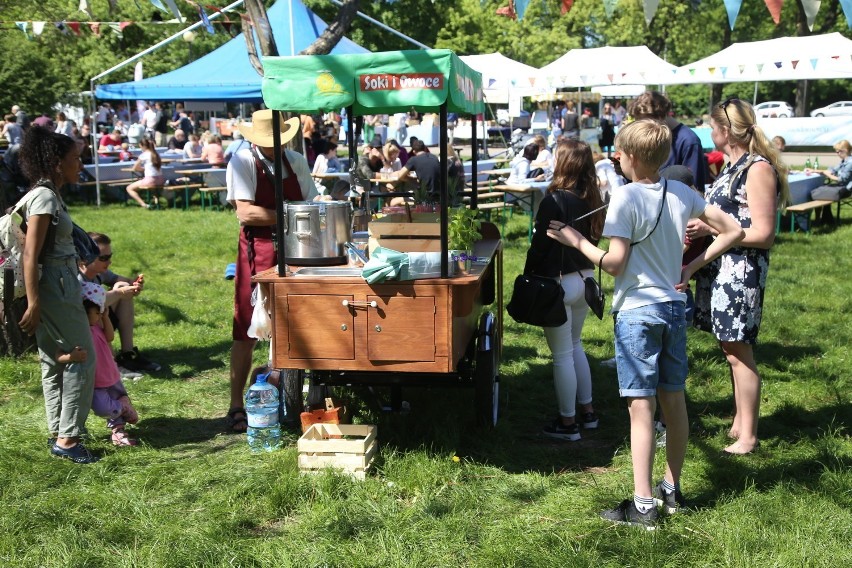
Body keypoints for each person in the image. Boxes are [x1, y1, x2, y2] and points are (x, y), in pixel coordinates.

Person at [547, 119, 744, 528]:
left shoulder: (625, 198)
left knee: (641, 408)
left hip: (638, 311)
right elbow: (734, 229)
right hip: (673, 308)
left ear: (631, 157)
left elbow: (615, 263)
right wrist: (690, 267)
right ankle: (671, 490)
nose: (614, 156)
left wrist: (576, 241)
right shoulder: (682, 191)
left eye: (618, 151)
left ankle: (642, 505)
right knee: (674, 402)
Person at [691, 99, 790, 455]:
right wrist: (705, 229)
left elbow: (763, 233)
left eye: (711, 127)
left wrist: (709, 231)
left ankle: (749, 437)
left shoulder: (757, 169)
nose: (709, 133)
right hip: (721, 270)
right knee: (729, 349)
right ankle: (739, 420)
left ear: (724, 131)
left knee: (739, 353)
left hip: (741, 274)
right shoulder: (735, 166)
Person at [225, 110, 317, 432]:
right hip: (258, 249)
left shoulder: (296, 161)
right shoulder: (241, 162)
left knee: (293, 322)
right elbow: (246, 212)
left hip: (297, 249)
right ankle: (236, 403)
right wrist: (289, 214)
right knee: (246, 326)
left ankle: (287, 391)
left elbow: (313, 202)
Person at [18, 126, 99, 464]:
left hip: (54, 282)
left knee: (53, 359)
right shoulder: (44, 197)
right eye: (74, 159)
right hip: (55, 284)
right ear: (55, 163)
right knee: (83, 355)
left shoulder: (46, 193)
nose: (79, 165)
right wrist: (34, 302)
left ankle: (58, 431)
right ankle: (68, 439)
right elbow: (30, 254)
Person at [524, 139, 606, 441]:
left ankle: (568, 423)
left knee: (562, 355)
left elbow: (539, 245)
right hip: (585, 279)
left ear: (564, 163)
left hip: (558, 282)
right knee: (575, 347)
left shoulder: (555, 200)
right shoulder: (595, 198)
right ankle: (588, 412)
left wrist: (527, 275)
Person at [78, 232, 158, 376]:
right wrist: (120, 292)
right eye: (103, 258)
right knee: (119, 291)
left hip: (102, 320)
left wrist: (134, 285)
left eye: (110, 256)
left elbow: (124, 281)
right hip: (86, 331)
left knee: (121, 285)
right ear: (84, 258)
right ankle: (112, 363)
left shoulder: (98, 272)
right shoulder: (77, 278)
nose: (109, 262)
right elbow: (89, 305)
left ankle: (128, 354)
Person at [77, 282, 140, 446]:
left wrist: (104, 318)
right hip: (95, 378)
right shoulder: (79, 330)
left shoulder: (97, 325)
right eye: (96, 312)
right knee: (102, 408)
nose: (99, 315)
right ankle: (123, 406)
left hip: (110, 372)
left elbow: (110, 337)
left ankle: (119, 433)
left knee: (113, 405)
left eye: (100, 312)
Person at [629, 91, 707, 191]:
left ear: (660, 116)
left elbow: (696, 189)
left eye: (644, 122)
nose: (640, 127)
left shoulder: (688, 141)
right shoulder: (651, 137)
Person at [805, 139, 852, 224]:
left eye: (838, 152)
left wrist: (827, 174)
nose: (837, 154)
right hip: (841, 187)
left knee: (816, 193)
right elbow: (832, 170)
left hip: (847, 190)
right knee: (819, 190)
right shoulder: (844, 161)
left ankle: (821, 220)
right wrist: (815, 170)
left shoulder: (850, 163)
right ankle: (825, 219)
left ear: (844, 151)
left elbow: (842, 179)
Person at [125, 138, 164, 209]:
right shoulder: (156, 154)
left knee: (129, 188)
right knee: (154, 189)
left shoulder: (144, 155)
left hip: (150, 180)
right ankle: (156, 203)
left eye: (140, 147)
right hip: (161, 179)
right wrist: (145, 169)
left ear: (143, 146)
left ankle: (143, 204)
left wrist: (142, 169)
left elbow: (135, 168)